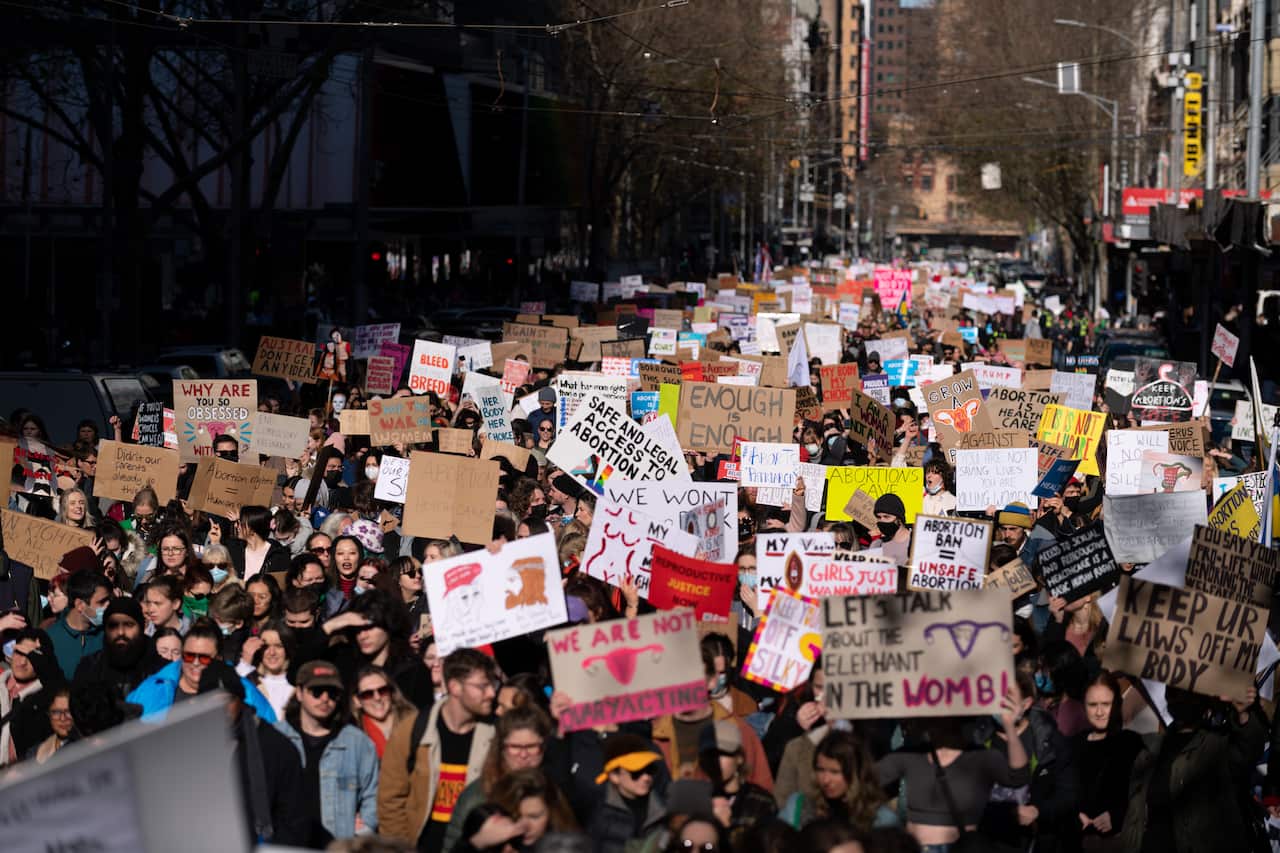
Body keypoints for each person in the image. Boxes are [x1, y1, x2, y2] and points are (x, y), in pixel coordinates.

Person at [876, 688, 1029, 850]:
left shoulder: (982, 757)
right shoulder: (911, 756)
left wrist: (1010, 727)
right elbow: (866, 779)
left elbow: (1018, 776)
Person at [1119, 687, 1267, 851]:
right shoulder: (1150, 748)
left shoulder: (1217, 745)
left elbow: (1249, 749)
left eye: (1187, 695)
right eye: (1173, 692)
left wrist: (1243, 714)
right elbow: (1134, 815)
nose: (1179, 700)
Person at [378, 647, 498, 849]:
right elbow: (390, 800)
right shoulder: (413, 730)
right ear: (455, 687)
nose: (491, 693)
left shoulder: (496, 734)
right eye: (482, 686)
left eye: (492, 685)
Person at [275, 659, 380, 845]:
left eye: (332, 693)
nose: (325, 698)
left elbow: (373, 796)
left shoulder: (358, 743)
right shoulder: (276, 739)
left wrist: (360, 836)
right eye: (316, 691)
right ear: (299, 693)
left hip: (338, 846)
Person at [443, 704, 555, 852]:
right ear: (502, 749)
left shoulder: (555, 788)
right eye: (515, 747)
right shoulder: (476, 796)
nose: (523, 755)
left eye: (531, 746)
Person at [127, 619, 275, 723]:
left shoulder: (244, 692)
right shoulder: (151, 688)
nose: (196, 663)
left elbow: (271, 734)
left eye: (204, 658)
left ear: (217, 659)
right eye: (189, 656)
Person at [1075, 673, 1145, 852]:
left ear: (1117, 704)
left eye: (1106, 704)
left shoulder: (1131, 744)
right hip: (1077, 842)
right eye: (1092, 705)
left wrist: (1117, 816)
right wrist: (1073, 814)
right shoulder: (1072, 746)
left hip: (1118, 842)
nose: (1099, 712)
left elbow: (1143, 794)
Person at [778, 730, 895, 831]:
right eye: (820, 770)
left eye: (834, 772)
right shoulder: (800, 808)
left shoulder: (881, 819)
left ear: (856, 772)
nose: (826, 780)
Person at [697, 719, 778, 841]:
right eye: (710, 755)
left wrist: (726, 828)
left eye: (722, 754)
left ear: (739, 758)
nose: (716, 761)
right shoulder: (695, 801)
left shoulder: (761, 803)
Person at [587, 732, 667, 853]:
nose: (646, 777)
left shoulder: (663, 810)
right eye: (636, 772)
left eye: (650, 769)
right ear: (614, 776)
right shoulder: (599, 816)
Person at [72, 595, 161, 700]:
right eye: (113, 625)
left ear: (141, 627)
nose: (120, 632)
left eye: (128, 625)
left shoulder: (160, 668)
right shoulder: (90, 667)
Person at [49, 570, 109, 680]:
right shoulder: (50, 639)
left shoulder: (109, 635)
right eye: (102, 602)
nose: (108, 607)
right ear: (80, 605)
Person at [351, 664, 417, 760]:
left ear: (391, 692)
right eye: (368, 694)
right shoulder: (353, 737)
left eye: (383, 690)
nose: (377, 698)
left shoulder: (415, 721)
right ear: (357, 701)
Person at [237, 621, 296, 719]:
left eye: (278, 646)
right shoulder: (246, 677)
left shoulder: (298, 684)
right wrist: (245, 661)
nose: (272, 652)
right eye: (266, 647)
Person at [228, 505, 293, 582]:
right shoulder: (234, 549)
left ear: (251, 528)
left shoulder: (278, 555)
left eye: (239, 523)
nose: (236, 525)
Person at [30, 685, 77, 764]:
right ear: (49, 714)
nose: (62, 718)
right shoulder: (34, 752)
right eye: (56, 712)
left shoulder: (85, 748)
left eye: (68, 711)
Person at [871, 494, 911, 566]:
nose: (882, 521)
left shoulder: (916, 543)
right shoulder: (876, 545)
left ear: (899, 519)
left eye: (886, 517)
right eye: (878, 517)